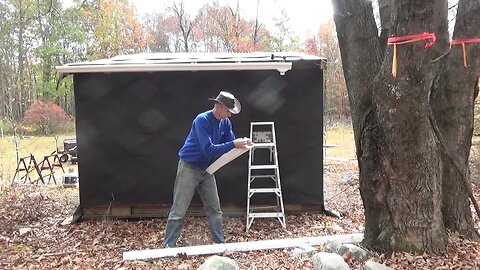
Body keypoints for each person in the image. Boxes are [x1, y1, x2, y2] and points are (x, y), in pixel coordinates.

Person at [163, 91, 250, 247]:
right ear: (218, 106)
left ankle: (220, 244)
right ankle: (168, 247)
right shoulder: (201, 120)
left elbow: (230, 142)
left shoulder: (225, 122)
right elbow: (208, 150)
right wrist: (233, 144)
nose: (229, 115)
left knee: (214, 209)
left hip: (207, 170)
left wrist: (242, 143)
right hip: (189, 167)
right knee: (179, 210)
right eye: (227, 111)